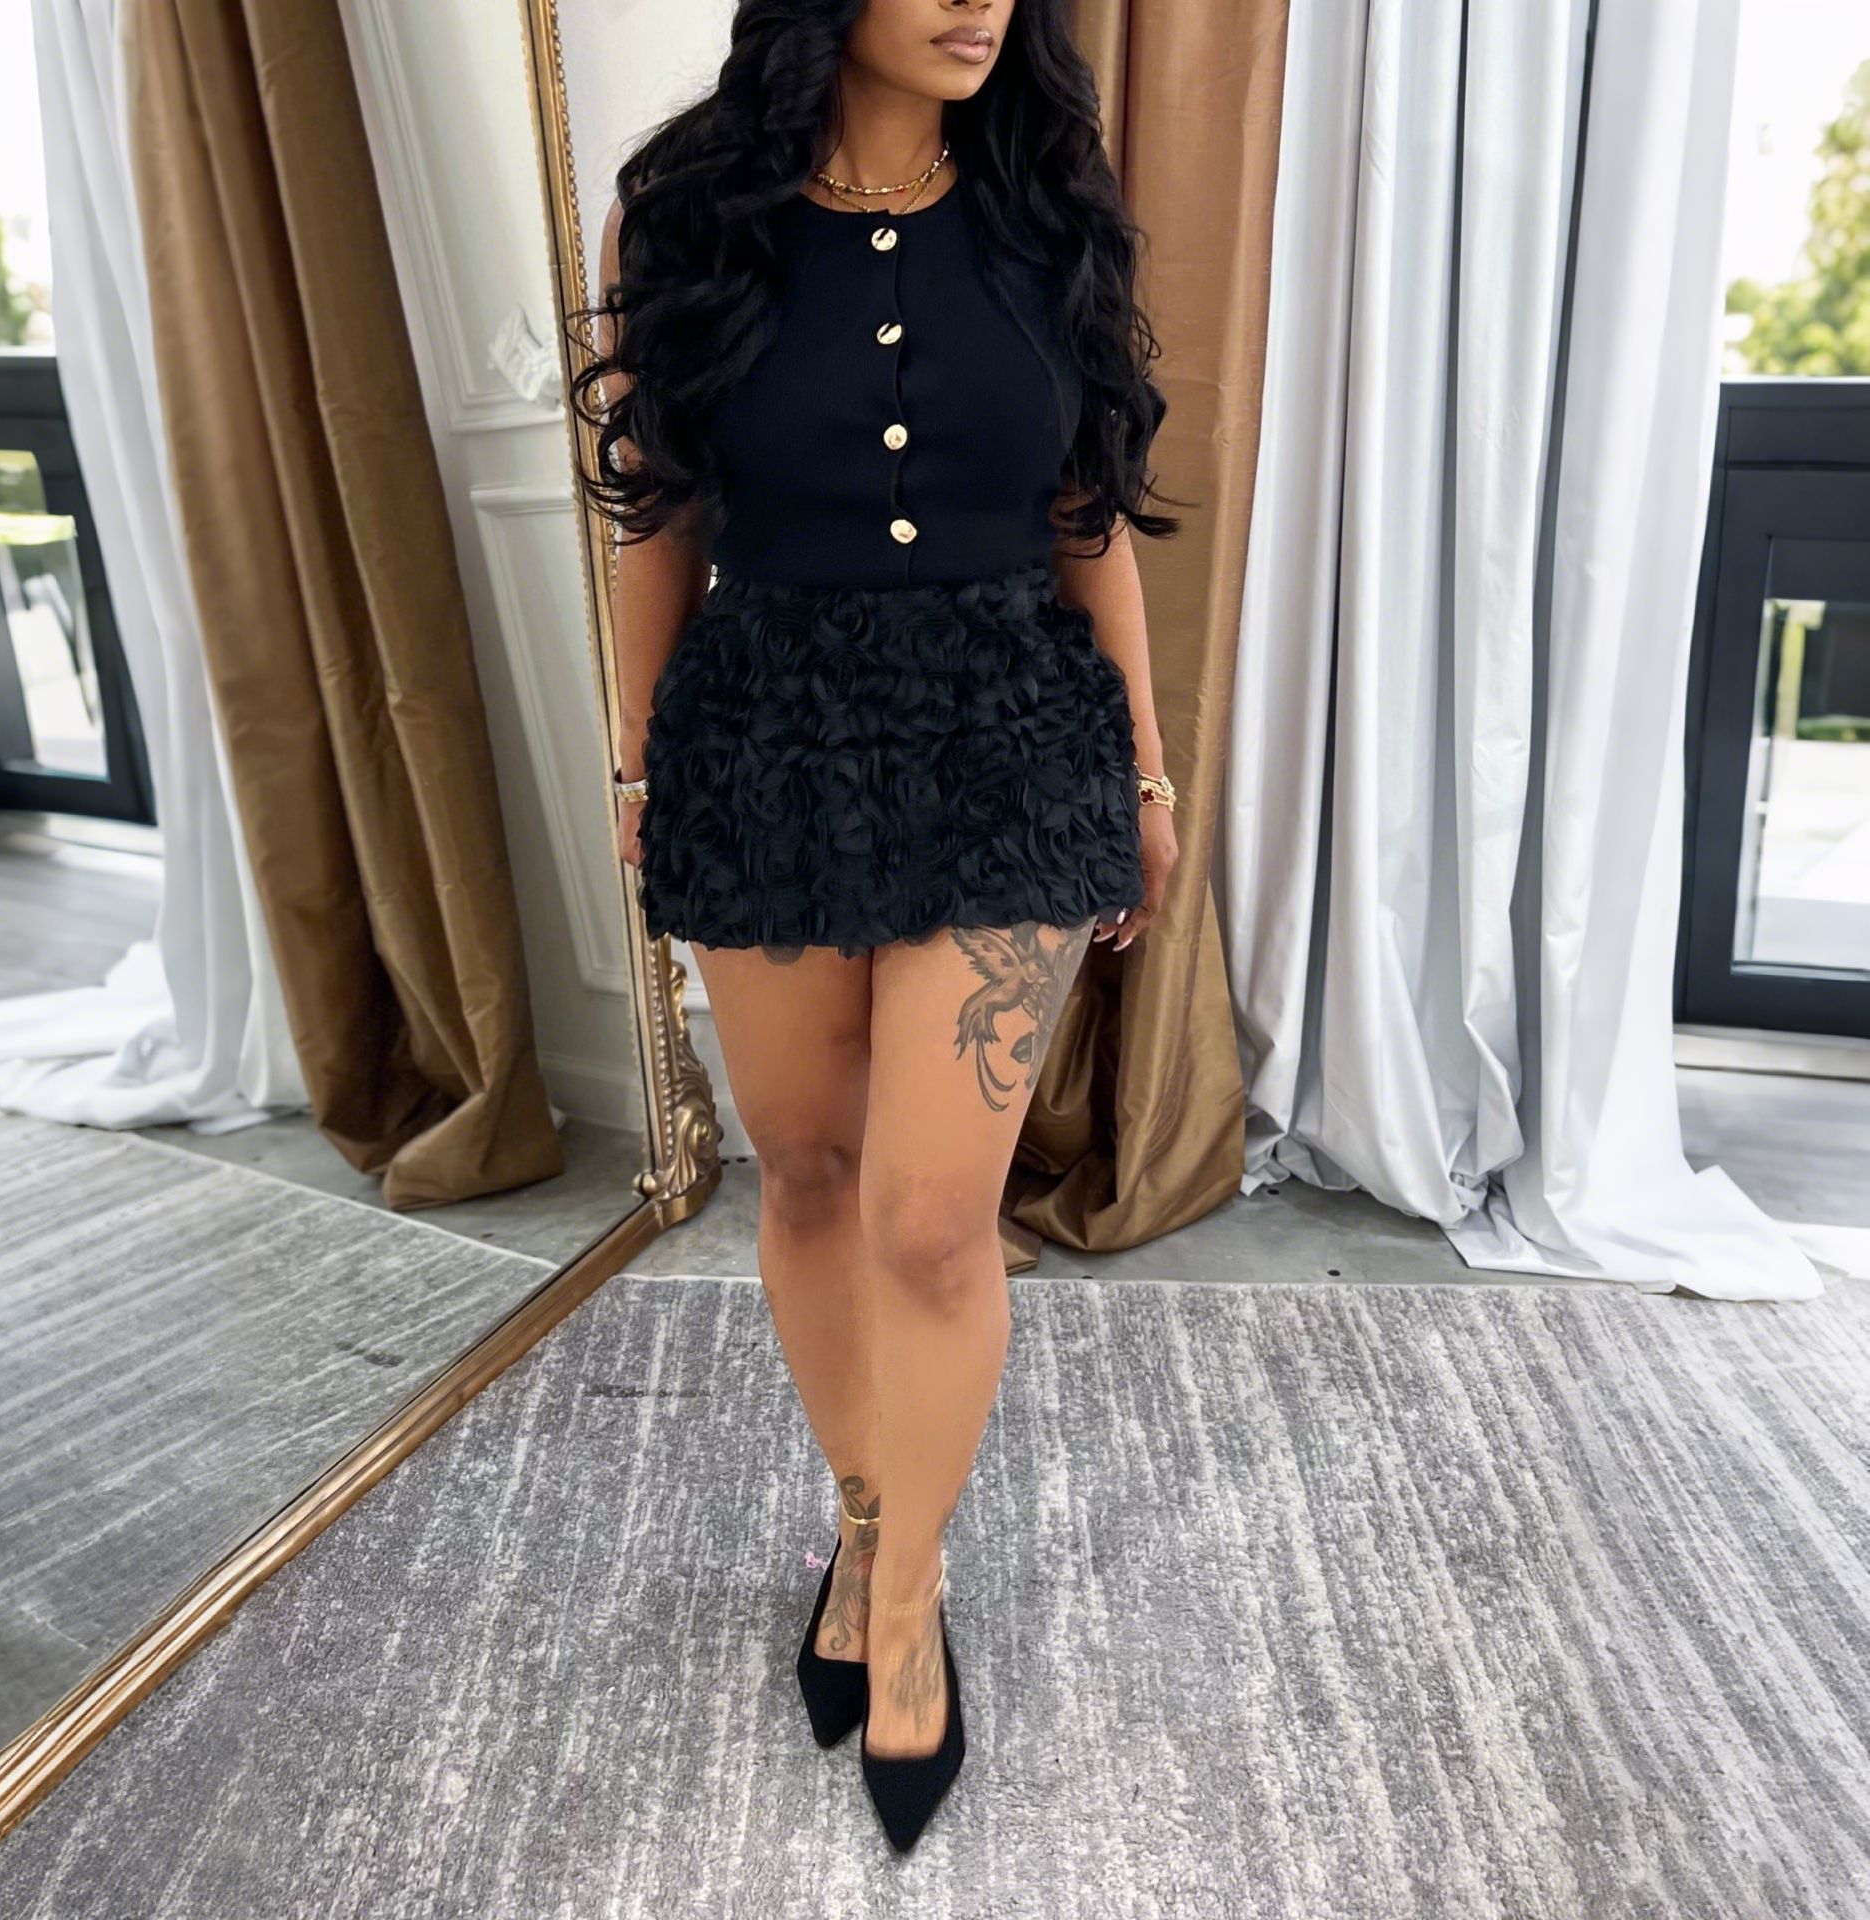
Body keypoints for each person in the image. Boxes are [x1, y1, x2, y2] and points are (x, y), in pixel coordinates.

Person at [575, 0, 1179, 1853]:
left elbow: (1088, 512)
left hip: (1011, 733)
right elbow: (660, 516)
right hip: (762, 731)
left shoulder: (1047, 192)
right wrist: (638, 765)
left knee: (927, 1216)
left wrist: (1146, 774)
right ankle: (859, 1518)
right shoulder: (684, 211)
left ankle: (907, 1600)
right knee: (815, 1173)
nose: (980, 1)